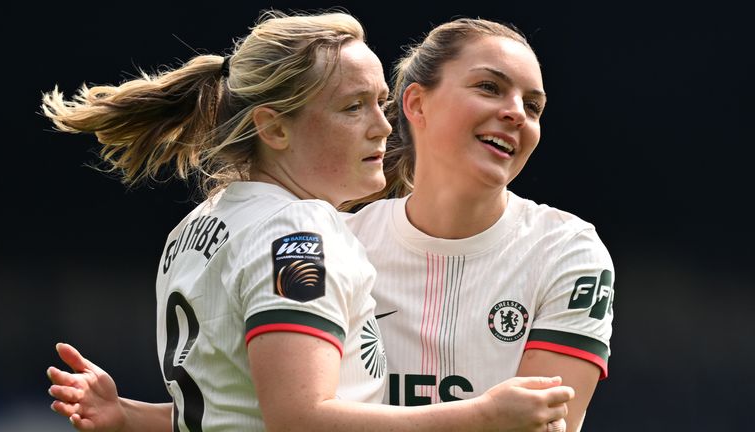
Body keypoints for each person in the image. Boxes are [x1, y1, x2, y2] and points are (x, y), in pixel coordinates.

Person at [42, 9, 574, 432]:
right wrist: (479, 418)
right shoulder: (299, 236)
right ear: (274, 129)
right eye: (353, 108)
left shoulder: (198, 229)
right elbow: (300, 419)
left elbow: (235, 413)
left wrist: (129, 417)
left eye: (381, 103)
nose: (381, 127)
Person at [342, 18, 615, 431]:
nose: (517, 114)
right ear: (416, 104)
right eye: (489, 87)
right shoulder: (341, 243)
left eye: (533, 107)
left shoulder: (568, 250)